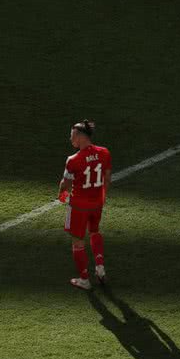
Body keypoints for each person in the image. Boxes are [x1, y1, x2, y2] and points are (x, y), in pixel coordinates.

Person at [57, 119, 112, 290]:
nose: (70, 139)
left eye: (72, 135)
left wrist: (61, 194)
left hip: (79, 207)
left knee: (77, 243)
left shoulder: (73, 160)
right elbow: (107, 178)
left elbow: (65, 185)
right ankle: (100, 267)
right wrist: (102, 197)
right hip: (97, 204)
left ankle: (84, 280)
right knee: (95, 231)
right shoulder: (104, 152)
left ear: (81, 136)